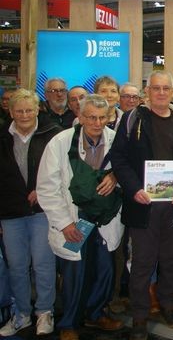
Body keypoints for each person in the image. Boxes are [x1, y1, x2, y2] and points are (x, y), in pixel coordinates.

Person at [110, 71, 173, 340]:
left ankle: (168, 306)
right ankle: (139, 316)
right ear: (147, 91)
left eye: (166, 88)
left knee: (170, 261)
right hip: (143, 205)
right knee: (142, 263)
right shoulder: (132, 119)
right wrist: (134, 189)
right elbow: (118, 159)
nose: (161, 93)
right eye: (156, 88)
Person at [36, 95, 124, 340]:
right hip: (75, 217)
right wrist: (64, 223)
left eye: (102, 118)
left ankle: (96, 314)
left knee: (105, 268)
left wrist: (115, 175)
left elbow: (128, 168)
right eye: (91, 117)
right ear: (80, 117)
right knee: (76, 271)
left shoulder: (116, 140)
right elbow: (47, 187)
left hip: (105, 216)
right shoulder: (60, 142)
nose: (97, 123)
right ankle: (69, 323)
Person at [0, 89, 63, 337]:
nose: (24, 115)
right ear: (10, 112)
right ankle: (22, 314)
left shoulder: (52, 134)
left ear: (37, 109)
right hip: (10, 212)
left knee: (43, 264)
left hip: (42, 211)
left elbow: (62, 171)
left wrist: (42, 189)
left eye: (29, 110)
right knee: (16, 266)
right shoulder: (2, 137)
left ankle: (45, 312)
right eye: (19, 111)